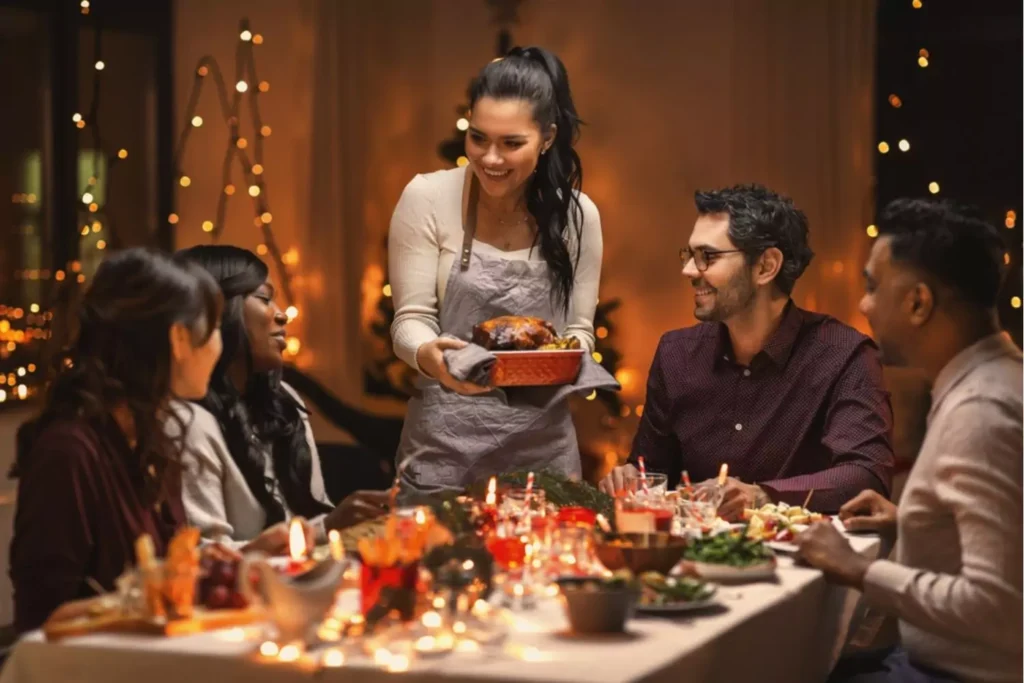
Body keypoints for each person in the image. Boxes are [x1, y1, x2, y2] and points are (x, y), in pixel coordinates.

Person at [796, 199, 1022, 683]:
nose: (863, 304)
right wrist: (916, 522)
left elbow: (999, 607)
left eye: (873, 286)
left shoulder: (981, 411)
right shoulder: (996, 379)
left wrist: (857, 570)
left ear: (918, 302)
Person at [601, 184, 895, 518]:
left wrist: (762, 496)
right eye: (689, 255)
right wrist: (631, 478)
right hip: (695, 558)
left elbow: (865, 476)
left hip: (804, 560)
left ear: (766, 266)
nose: (688, 271)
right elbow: (651, 473)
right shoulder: (676, 354)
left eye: (707, 256)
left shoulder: (844, 355)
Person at [388, 46, 602, 495]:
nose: (490, 158)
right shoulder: (427, 197)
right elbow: (410, 320)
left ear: (546, 138)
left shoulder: (579, 216)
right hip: (443, 450)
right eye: (479, 137)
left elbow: (579, 332)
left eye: (511, 143)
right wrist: (430, 356)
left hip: (543, 456)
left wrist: (556, 363)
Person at [9, 248, 224, 632]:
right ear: (177, 338)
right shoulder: (69, 454)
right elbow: (42, 623)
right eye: (214, 328)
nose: (219, 346)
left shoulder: (150, 440)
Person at [170, 245, 388, 554]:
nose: (282, 314)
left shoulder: (284, 401)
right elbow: (206, 559)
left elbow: (307, 530)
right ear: (220, 312)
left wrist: (334, 523)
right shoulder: (187, 422)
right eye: (264, 299)